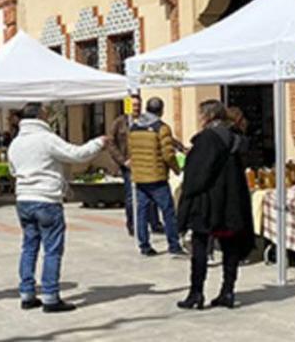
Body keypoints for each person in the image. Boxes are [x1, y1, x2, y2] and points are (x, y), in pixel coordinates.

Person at [9, 102, 107, 313]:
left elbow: (12, 169)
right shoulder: (46, 138)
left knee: (29, 247)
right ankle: (50, 296)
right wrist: (98, 142)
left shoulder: (16, 142)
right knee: (52, 249)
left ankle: (27, 293)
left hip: (24, 198)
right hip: (46, 198)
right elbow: (76, 154)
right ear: (39, 116)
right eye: (45, 113)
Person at [177, 100, 254, 310]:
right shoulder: (235, 138)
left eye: (201, 114)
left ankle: (196, 293)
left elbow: (198, 174)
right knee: (230, 246)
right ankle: (228, 291)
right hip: (231, 201)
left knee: (200, 245)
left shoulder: (207, 139)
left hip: (207, 202)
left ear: (208, 116)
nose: (199, 119)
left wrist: (187, 195)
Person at [126, 97, 183, 257]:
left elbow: (131, 150)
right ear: (161, 110)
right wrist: (176, 169)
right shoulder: (161, 128)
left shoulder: (134, 127)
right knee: (168, 212)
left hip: (140, 176)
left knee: (142, 213)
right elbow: (168, 154)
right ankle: (174, 245)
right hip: (157, 177)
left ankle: (144, 246)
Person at [108, 95, 164, 238]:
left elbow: (162, 135)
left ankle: (155, 223)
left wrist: (181, 147)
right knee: (131, 196)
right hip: (129, 165)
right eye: (134, 105)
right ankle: (132, 224)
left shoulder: (146, 121)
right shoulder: (120, 123)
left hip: (146, 163)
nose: (136, 108)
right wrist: (123, 161)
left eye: (138, 105)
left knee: (151, 194)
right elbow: (111, 143)